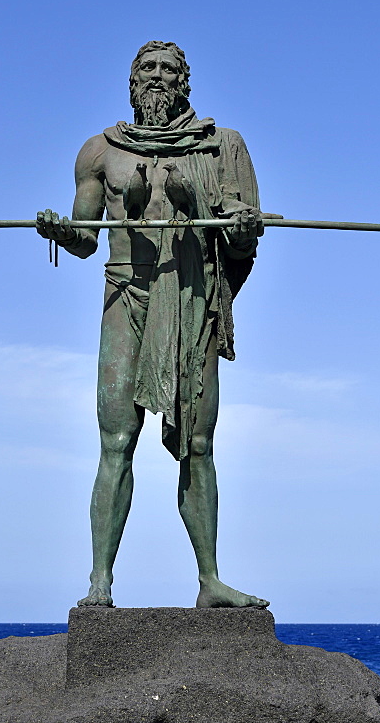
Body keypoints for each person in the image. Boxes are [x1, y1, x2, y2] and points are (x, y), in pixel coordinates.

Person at [37, 41, 279, 608]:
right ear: (131, 80)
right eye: (148, 69)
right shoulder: (101, 152)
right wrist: (57, 229)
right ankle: (99, 582)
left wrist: (242, 226)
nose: (158, 77)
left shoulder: (221, 147)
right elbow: (85, 238)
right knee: (116, 440)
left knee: (198, 442)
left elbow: (245, 237)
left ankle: (210, 580)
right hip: (127, 296)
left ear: (185, 82)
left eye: (170, 70)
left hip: (192, 301)